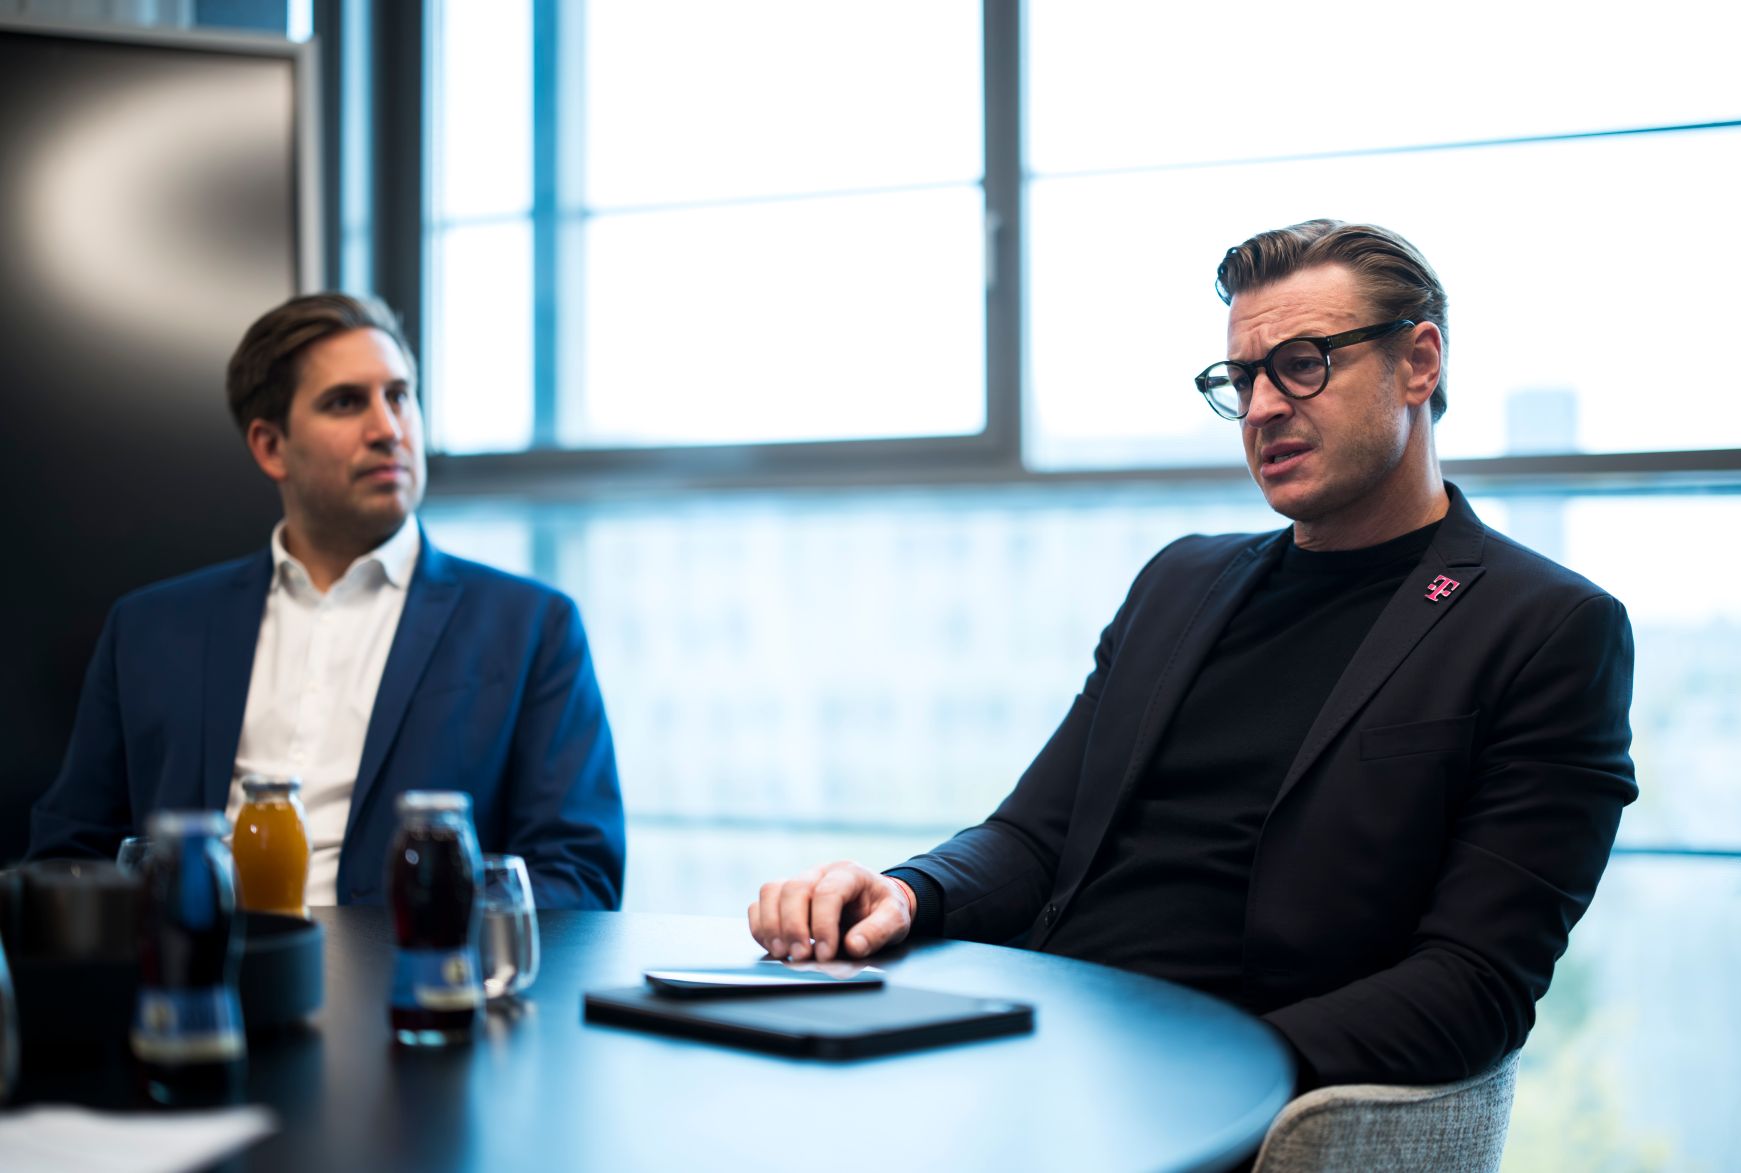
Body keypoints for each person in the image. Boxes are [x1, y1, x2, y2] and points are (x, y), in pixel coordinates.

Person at [748, 220, 1637, 1089]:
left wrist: (1209, 1067)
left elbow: (1472, 985)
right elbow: (1034, 837)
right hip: (1034, 1038)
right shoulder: (1181, 581)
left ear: (1419, 363)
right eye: (1241, 378)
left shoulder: (1547, 628)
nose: (1259, 409)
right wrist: (907, 892)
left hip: (1214, 1079)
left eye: (1302, 364)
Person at [29, 293, 624, 910]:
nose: (388, 429)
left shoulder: (529, 627)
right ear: (270, 447)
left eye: (399, 396)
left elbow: (579, 876)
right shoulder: (150, 629)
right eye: (346, 403)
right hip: (194, 980)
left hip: (411, 988)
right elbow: (68, 856)